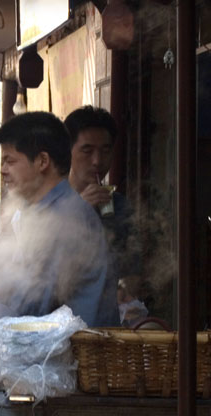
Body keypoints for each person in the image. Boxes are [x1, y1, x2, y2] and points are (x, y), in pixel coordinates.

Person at [0, 112, 118, 327]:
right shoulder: (38, 212)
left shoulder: (66, 218)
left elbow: (33, 303)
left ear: (43, 161)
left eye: (10, 161)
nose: (3, 171)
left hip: (76, 355)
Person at [65, 106, 141, 310]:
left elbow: (133, 271)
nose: (97, 161)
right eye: (87, 151)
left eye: (105, 150)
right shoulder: (53, 204)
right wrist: (80, 210)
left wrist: (126, 289)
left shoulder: (121, 207)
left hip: (108, 321)